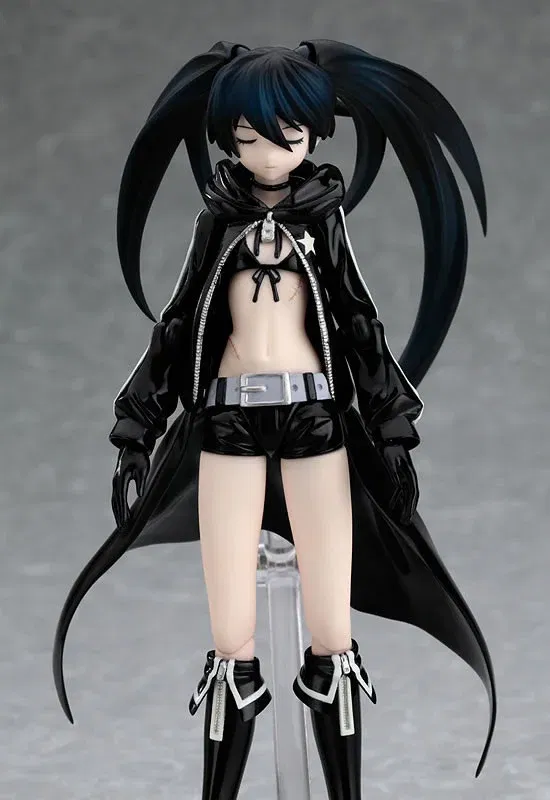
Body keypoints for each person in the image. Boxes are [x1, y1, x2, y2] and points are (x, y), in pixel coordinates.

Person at [53, 40, 496, 799]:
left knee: (333, 636)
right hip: (228, 426)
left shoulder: (324, 223)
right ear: (227, 138)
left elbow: (360, 324)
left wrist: (392, 431)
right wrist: (136, 431)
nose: (266, 152)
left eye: (286, 135)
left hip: (315, 422)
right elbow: (176, 326)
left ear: (315, 134)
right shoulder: (217, 223)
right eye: (247, 136)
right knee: (231, 642)